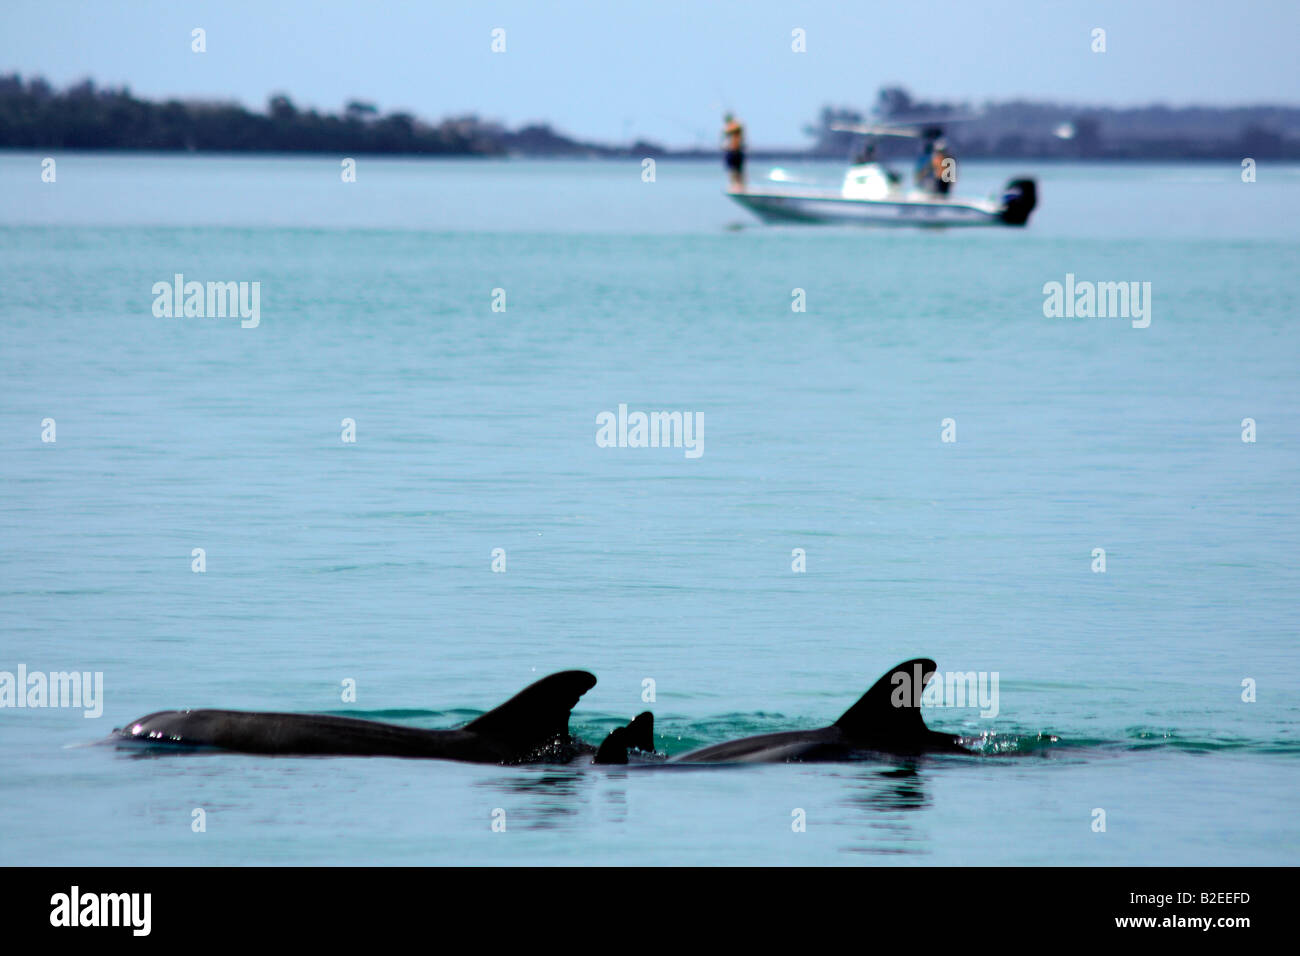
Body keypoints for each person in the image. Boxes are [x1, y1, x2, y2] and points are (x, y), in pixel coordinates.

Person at [722, 113, 745, 192]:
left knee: (737, 171)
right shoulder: (731, 129)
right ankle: (734, 186)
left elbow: (732, 129)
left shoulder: (737, 127)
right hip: (731, 152)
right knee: (732, 171)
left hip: (736, 152)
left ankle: (739, 187)